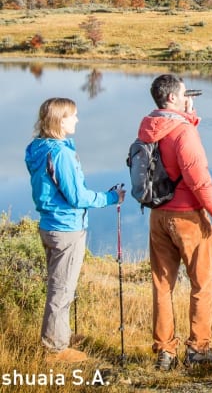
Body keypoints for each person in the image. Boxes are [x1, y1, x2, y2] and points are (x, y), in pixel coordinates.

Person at [25, 97, 125, 363]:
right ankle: (55, 349)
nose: (77, 120)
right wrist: (112, 197)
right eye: (73, 116)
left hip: (49, 225)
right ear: (60, 120)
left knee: (60, 284)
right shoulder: (60, 153)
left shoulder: (37, 147)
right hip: (66, 228)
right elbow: (78, 197)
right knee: (62, 289)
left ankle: (61, 334)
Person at [138, 74, 212, 370]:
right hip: (187, 216)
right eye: (184, 93)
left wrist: (189, 117)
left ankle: (165, 351)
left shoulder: (149, 126)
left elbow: (169, 154)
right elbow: (197, 176)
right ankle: (197, 350)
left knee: (162, 285)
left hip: (157, 215)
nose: (188, 96)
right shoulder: (183, 132)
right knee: (202, 284)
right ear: (173, 97)